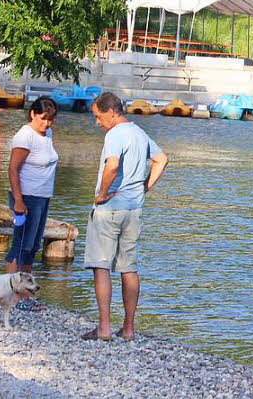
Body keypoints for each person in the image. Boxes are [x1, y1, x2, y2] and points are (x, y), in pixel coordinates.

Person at [82, 92, 169, 341]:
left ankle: (104, 328)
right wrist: (144, 188)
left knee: (101, 266)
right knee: (128, 268)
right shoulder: (139, 133)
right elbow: (162, 160)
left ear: (111, 112)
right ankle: (129, 329)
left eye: (98, 117)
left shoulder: (115, 134)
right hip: (134, 209)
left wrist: (101, 193)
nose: (97, 122)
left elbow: (112, 166)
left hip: (110, 210)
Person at [6, 96, 59, 312]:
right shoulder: (25, 135)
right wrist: (18, 200)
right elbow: (12, 169)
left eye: (51, 120)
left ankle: (25, 295)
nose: (47, 124)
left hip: (43, 196)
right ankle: (11, 296)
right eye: (43, 119)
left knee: (33, 246)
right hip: (26, 197)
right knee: (20, 246)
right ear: (32, 114)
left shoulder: (48, 134)